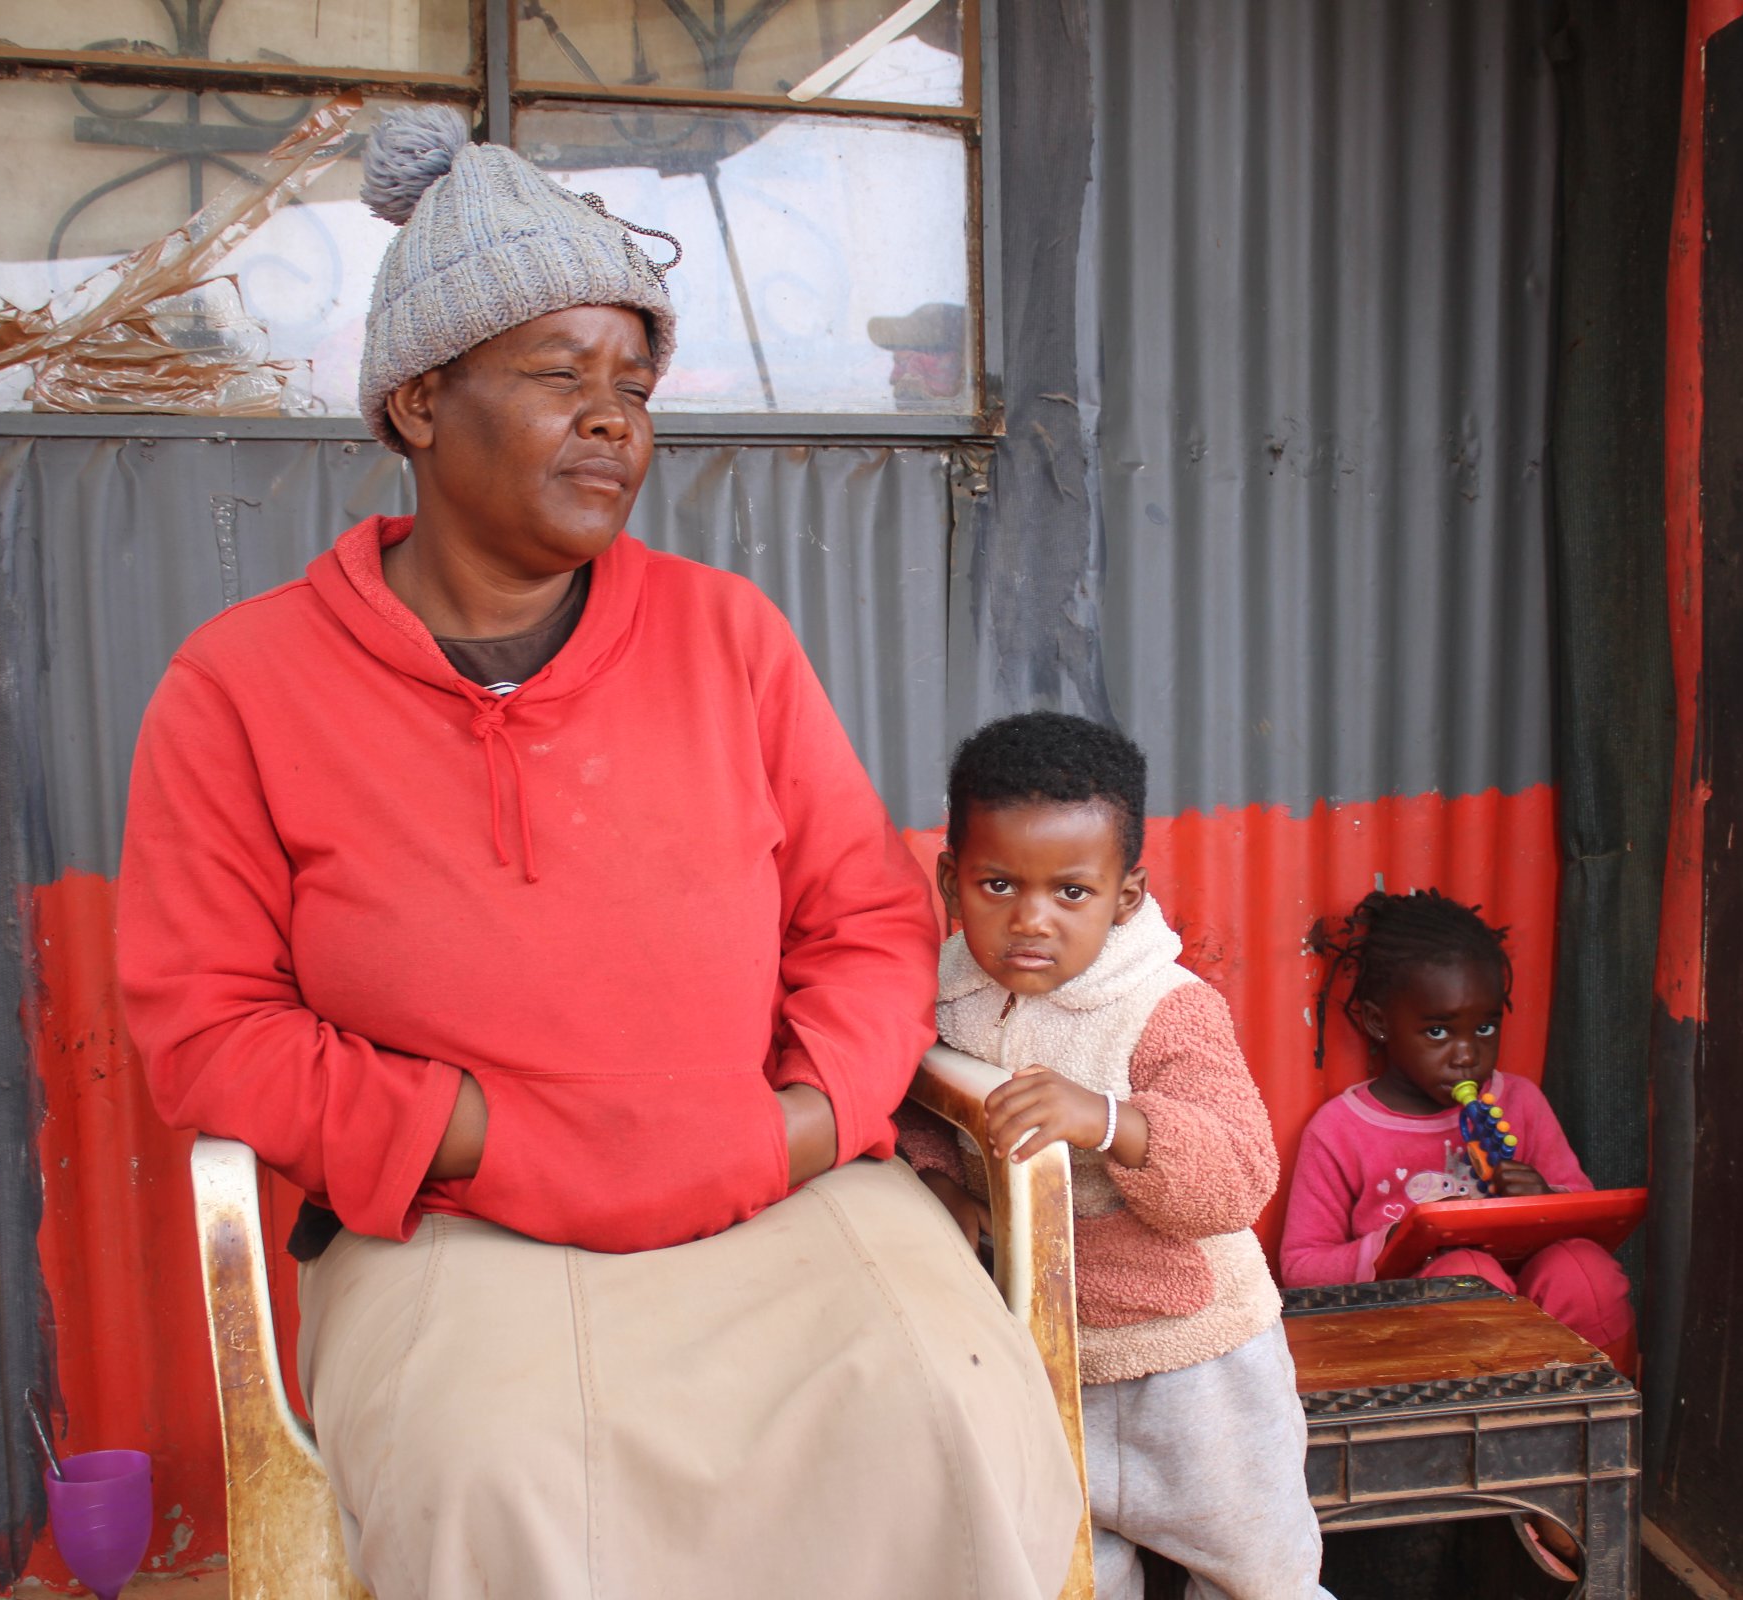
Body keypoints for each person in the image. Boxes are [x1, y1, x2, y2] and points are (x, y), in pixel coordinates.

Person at [117, 106, 1079, 1600]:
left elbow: (868, 926)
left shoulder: (727, 638)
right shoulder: (241, 686)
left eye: (633, 383)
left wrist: (795, 1131)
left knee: (947, 1404)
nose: (614, 418)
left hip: (775, 1186)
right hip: (453, 1218)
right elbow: (207, 1029)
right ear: (420, 403)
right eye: (561, 376)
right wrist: (501, 1142)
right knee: (492, 1472)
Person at [898, 712, 1329, 1600]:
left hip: (1199, 1370)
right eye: (996, 884)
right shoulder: (945, 991)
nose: (1030, 921)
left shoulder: (1165, 1008)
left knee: (1261, 1581)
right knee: (1075, 1577)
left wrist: (1108, 1120)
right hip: (1049, 1364)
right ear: (950, 879)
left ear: (1125, 897)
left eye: (1071, 893)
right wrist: (942, 1180)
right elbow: (921, 1114)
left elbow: (1239, 1178)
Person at [1277, 889, 1635, 1366]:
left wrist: (1546, 1195)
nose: (1467, 1055)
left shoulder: (1519, 1102)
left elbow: (1583, 1215)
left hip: (1536, 1315)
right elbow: (1301, 1267)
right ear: (1378, 1022)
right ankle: (1479, 1431)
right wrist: (1397, 1241)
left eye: (1484, 1029)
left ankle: (1601, 1415)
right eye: (1438, 1032)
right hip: (1409, 1341)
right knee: (1465, 1275)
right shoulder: (1341, 1130)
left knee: (1583, 1272)